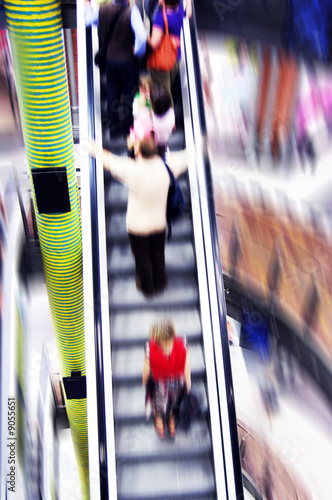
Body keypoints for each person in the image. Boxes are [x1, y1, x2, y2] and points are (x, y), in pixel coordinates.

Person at [88, 136, 189, 296]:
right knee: (158, 254)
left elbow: (109, 160)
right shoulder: (167, 166)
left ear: (139, 152)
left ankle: (148, 288)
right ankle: (161, 282)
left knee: (143, 259)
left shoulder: (131, 169)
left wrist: (94, 150)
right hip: (159, 224)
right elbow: (186, 157)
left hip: (137, 228)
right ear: (155, 151)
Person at [96, 0, 147, 138]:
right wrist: (137, 52)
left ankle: (113, 130)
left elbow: (88, 19)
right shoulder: (132, 12)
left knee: (112, 94)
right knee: (129, 95)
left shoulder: (102, 10)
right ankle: (127, 130)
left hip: (110, 60)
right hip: (128, 61)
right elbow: (142, 37)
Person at [142, 318, 191, 439]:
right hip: (177, 384)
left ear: (155, 337)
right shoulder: (183, 343)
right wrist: (188, 381)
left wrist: (145, 382)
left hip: (159, 384)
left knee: (158, 405)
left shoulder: (149, 347)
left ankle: (159, 422)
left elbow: (146, 369)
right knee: (174, 404)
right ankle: (171, 422)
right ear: (174, 333)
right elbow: (186, 364)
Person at [148, 0, 192, 106]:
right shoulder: (180, 11)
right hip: (176, 58)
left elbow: (154, 43)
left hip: (162, 62)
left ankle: (168, 119)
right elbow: (189, 14)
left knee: (164, 98)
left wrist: (143, 38)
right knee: (167, 85)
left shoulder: (161, 18)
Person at [151, 84, 175, 159]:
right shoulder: (171, 113)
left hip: (151, 145)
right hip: (164, 144)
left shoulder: (149, 117)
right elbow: (173, 127)